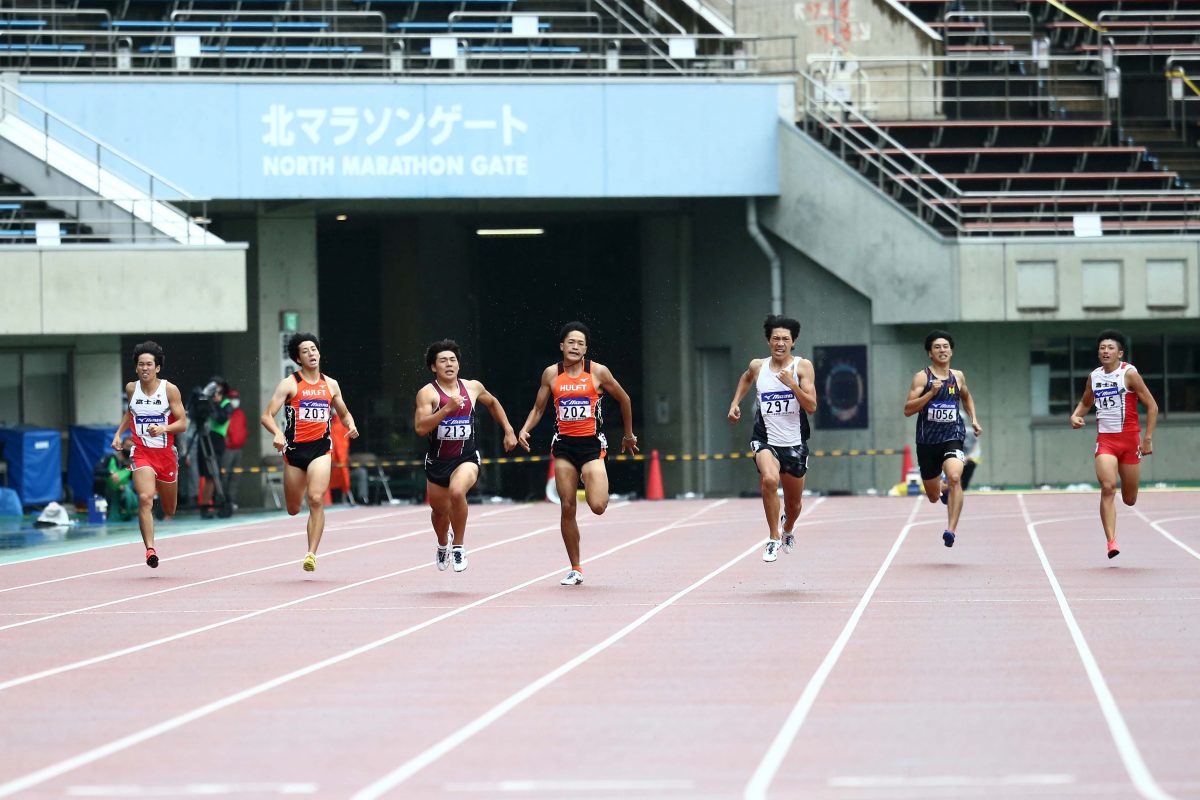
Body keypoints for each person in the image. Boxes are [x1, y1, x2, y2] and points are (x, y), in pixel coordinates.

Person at [517, 322, 638, 586]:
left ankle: (591, 477)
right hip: (564, 446)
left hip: (592, 445)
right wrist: (525, 429)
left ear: (586, 348)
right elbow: (538, 409)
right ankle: (575, 567)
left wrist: (628, 436)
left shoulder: (598, 372)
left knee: (597, 506)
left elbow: (625, 399)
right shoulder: (551, 374)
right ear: (562, 346)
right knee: (567, 506)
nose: (575, 347)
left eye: (580, 343)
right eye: (571, 342)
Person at [414, 339, 518, 572]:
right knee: (439, 512)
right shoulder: (427, 394)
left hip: (466, 458)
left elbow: (492, 403)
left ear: (459, 365)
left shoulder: (472, 387)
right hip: (438, 462)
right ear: (433, 367)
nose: (449, 364)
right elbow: (421, 428)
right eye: (443, 361)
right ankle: (443, 544)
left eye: (453, 360)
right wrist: (447, 409)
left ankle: (459, 546)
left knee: (458, 491)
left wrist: (509, 430)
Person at [261, 332, 359, 572]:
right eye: (305, 351)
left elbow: (344, 413)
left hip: (320, 449)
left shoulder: (331, 384)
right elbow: (266, 415)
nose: (311, 354)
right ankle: (299, 508)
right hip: (294, 452)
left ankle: (311, 554)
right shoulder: (290, 384)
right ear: (298, 357)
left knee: (315, 498)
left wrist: (351, 425)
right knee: (293, 508)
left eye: (313, 349)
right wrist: (277, 433)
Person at [727, 314, 818, 562]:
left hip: (795, 444)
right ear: (768, 341)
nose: (780, 343)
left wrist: (792, 385)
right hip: (765, 439)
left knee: (794, 505)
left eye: (785, 339)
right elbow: (746, 378)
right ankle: (773, 537)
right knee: (769, 479)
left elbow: (811, 406)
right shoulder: (759, 366)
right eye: (776, 338)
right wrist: (736, 403)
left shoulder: (802, 367)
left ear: (793, 342)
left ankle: (787, 529)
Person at [1069, 329, 1158, 559]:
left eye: (1110, 348)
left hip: (1130, 441)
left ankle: (1123, 507)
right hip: (1106, 441)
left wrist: (1147, 438)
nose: (1105, 351)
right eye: (1102, 348)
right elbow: (1085, 402)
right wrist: (1076, 415)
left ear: (1120, 353)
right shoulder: (1094, 377)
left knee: (1129, 499)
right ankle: (1111, 542)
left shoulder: (1129, 374)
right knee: (1108, 487)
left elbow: (1152, 406)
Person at [111, 341, 189, 568]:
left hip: (165, 454)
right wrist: (118, 434)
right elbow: (131, 412)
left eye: (149, 364)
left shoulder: (169, 390)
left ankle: (166, 502)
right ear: (136, 368)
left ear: (157, 368)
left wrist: (164, 428)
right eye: (141, 364)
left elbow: (183, 423)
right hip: (141, 451)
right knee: (145, 498)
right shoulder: (131, 389)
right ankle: (150, 550)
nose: (145, 368)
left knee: (169, 509)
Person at [903, 329, 983, 548]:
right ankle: (943, 490)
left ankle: (951, 530)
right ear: (930, 353)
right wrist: (929, 394)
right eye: (937, 347)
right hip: (927, 442)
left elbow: (966, 396)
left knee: (956, 477)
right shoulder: (922, 377)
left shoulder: (958, 376)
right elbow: (908, 409)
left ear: (951, 351)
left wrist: (974, 419)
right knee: (932, 495)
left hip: (952, 436)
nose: (942, 350)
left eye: (945, 346)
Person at [199, 377, 231, 518]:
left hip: (217, 439)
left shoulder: (226, 403)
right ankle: (205, 505)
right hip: (205, 437)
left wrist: (216, 403)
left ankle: (211, 504)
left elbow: (221, 419)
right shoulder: (207, 401)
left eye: (218, 387)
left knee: (212, 475)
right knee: (206, 475)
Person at [94, 436, 137, 522]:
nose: (129, 449)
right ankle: (99, 513)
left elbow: (136, 480)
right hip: (107, 490)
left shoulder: (133, 463)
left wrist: (125, 488)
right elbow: (96, 470)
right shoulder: (110, 457)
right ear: (121, 446)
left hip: (121, 493)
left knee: (130, 494)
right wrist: (110, 473)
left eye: (131, 447)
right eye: (127, 446)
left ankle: (126, 513)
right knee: (98, 481)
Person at [219, 388, 247, 508]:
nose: (234, 401)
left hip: (238, 449)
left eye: (236, 398)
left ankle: (232, 501)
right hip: (228, 449)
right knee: (224, 476)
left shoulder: (241, 413)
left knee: (236, 476)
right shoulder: (225, 413)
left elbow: (244, 429)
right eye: (232, 398)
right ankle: (222, 501)